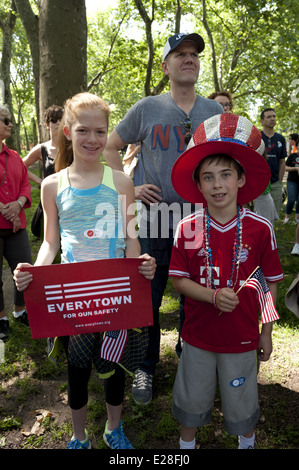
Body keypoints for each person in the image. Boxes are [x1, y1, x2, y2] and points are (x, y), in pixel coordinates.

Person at [13, 92, 156, 449]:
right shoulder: (52, 186)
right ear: (66, 131)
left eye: (100, 132)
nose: (92, 140)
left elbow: (131, 239)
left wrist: (142, 265)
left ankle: (113, 428)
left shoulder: (121, 183)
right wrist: (35, 270)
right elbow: (51, 243)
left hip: (117, 294)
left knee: (112, 366)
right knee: (76, 368)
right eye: (83, 131)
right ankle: (79, 436)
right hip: (73, 297)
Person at [103, 32, 223, 405]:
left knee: (196, 296)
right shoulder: (146, 108)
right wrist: (129, 188)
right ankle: (145, 365)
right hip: (153, 223)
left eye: (193, 54)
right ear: (166, 65)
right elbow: (109, 147)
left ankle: (191, 354)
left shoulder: (214, 113)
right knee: (148, 299)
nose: (189, 59)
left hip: (199, 223)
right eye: (180, 54)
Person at [169, 113, 283, 449]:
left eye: (225, 175)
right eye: (208, 177)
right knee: (192, 402)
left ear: (241, 179)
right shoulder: (187, 228)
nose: (217, 184)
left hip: (242, 339)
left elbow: (270, 283)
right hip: (198, 337)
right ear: (199, 184)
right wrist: (212, 296)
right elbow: (178, 280)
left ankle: (246, 443)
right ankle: (185, 447)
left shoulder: (261, 229)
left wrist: (266, 332)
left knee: (241, 404)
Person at [0, 105, 32, 341]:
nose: (10, 125)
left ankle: (20, 311)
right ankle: (1, 319)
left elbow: (25, 185)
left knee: (24, 269)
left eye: (10, 121)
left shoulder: (14, 157)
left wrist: (18, 204)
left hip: (16, 227)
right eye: (5, 120)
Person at [23, 105, 64, 185]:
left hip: (72, 195)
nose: (58, 123)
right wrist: (40, 181)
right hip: (49, 196)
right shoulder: (41, 149)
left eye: (61, 120)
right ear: (47, 125)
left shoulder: (73, 147)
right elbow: (19, 166)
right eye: (54, 120)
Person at [260, 108, 287, 216]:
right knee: (261, 214)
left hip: (275, 183)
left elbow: (282, 162)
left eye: (274, 116)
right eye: (269, 117)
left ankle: (271, 232)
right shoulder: (257, 137)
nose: (272, 119)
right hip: (261, 183)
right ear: (262, 121)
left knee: (274, 214)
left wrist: (279, 182)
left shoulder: (280, 138)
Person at [283, 148, 299, 224]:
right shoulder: (293, 156)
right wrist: (295, 168)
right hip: (292, 181)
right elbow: (285, 168)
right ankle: (287, 217)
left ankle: (297, 219)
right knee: (291, 199)